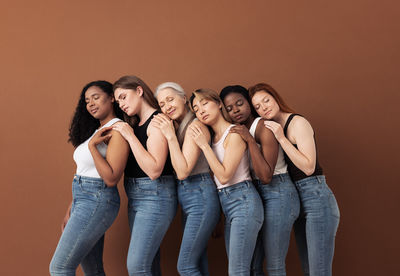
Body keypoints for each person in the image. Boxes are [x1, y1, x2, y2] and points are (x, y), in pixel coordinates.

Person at [248, 83, 340, 276]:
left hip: (316, 196)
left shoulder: (297, 122)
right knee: (308, 268)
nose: (264, 107)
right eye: (257, 106)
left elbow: (308, 167)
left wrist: (282, 138)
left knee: (318, 270)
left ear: (276, 98)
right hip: (296, 197)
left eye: (266, 100)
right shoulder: (268, 128)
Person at [49, 80, 129, 276]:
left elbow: (111, 179)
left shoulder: (117, 129)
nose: (91, 103)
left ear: (111, 97)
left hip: (98, 200)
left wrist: (93, 147)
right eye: (87, 101)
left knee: (59, 268)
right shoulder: (97, 131)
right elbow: (84, 172)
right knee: (92, 270)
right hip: (83, 200)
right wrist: (72, 207)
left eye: (96, 97)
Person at [220, 85, 300, 276]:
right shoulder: (236, 130)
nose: (235, 110)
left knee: (274, 264)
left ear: (249, 102)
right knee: (254, 264)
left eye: (239, 103)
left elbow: (265, 176)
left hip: (278, 193)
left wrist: (249, 140)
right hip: (257, 196)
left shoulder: (263, 126)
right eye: (229, 108)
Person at [188, 88, 263, 276]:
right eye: (196, 109)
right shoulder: (212, 138)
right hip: (228, 204)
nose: (201, 110)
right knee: (241, 269)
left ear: (219, 104)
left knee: (238, 271)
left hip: (244, 201)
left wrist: (203, 146)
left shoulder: (234, 134)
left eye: (204, 103)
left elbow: (224, 176)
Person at [152, 82, 220, 276]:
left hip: (200, 194)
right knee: (198, 262)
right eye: (162, 104)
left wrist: (170, 136)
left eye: (170, 99)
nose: (167, 106)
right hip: (190, 196)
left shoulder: (195, 126)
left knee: (186, 266)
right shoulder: (180, 125)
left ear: (184, 98)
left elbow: (182, 172)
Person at [113, 75, 177, 276]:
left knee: (137, 266)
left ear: (139, 91)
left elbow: (154, 170)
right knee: (149, 264)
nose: (121, 104)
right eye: (118, 101)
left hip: (155, 197)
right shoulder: (135, 123)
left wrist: (129, 135)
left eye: (124, 97)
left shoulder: (157, 122)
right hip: (136, 197)